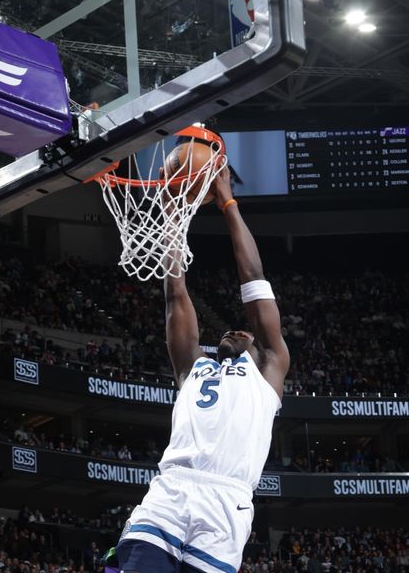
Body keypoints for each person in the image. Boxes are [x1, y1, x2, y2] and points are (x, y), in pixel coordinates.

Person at [116, 162, 290, 572]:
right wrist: (175, 216)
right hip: (170, 492)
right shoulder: (191, 367)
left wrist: (228, 202)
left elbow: (253, 276)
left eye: (243, 331)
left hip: (226, 504)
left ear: (257, 343)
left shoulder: (269, 367)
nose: (233, 330)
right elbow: (176, 292)